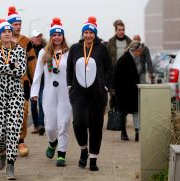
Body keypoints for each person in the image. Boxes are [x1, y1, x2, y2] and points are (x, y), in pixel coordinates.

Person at [0, 6, 37, 157]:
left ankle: (20, 141)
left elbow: (32, 63)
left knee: (22, 112)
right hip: (1, 85)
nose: (18, 26)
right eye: (15, 24)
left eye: (19, 23)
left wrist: (36, 83)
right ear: (7, 27)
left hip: (23, 84)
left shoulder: (26, 42)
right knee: (4, 117)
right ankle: (7, 144)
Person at [67, 17, 113, 171]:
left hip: (97, 95)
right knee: (78, 123)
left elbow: (109, 69)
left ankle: (93, 159)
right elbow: (69, 69)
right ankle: (83, 150)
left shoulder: (102, 48)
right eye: (86, 32)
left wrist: (106, 86)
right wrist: (69, 86)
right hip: (78, 94)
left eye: (91, 33)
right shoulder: (75, 49)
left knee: (96, 126)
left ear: (95, 34)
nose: (88, 35)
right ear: (82, 34)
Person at [0, 19, 26, 180]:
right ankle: (2, 153)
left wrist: (3, 68)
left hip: (16, 93)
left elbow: (21, 70)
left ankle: (10, 164)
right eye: (4, 31)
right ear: (0, 34)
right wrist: (10, 66)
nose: (8, 34)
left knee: (13, 130)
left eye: (9, 31)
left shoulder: (20, 50)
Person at [31, 18, 72, 167]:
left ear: (63, 36)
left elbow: (74, 73)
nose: (56, 37)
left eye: (59, 35)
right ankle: (52, 142)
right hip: (48, 93)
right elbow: (37, 74)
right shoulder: (43, 52)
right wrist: (34, 92)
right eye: (54, 35)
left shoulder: (68, 52)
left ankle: (61, 154)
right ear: (51, 36)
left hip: (65, 94)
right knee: (49, 126)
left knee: (63, 123)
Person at [113, 40, 144, 142]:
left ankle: (137, 133)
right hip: (124, 92)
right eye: (139, 50)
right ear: (134, 50)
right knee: (123, 113)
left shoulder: (134, 58)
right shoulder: (124, 59)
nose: (140, 52)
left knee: (135, 111)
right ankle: (124, 132)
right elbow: (117, 76)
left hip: (131, 91)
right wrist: (116, 91)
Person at [107, 19, 132, 109]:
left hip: (126, 74)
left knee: (124, 98)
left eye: (123, 30)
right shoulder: (111, 42)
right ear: (116, 30)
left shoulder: (129, 42)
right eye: (119, 30)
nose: (121, 32)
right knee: (114, 97)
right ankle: (114, 118)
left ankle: (122, 120)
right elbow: (107, 58)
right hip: (114, 74)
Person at [30, 30, 46, 135]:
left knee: (41, 102)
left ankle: (41, 125)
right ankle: (35, 125)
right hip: (32, 81)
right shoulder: (29, 49)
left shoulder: (45, 49)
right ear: (32, 38)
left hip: (44, 80)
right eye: (36, 36)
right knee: (33, 104)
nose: (39, 38)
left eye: (40, 36)